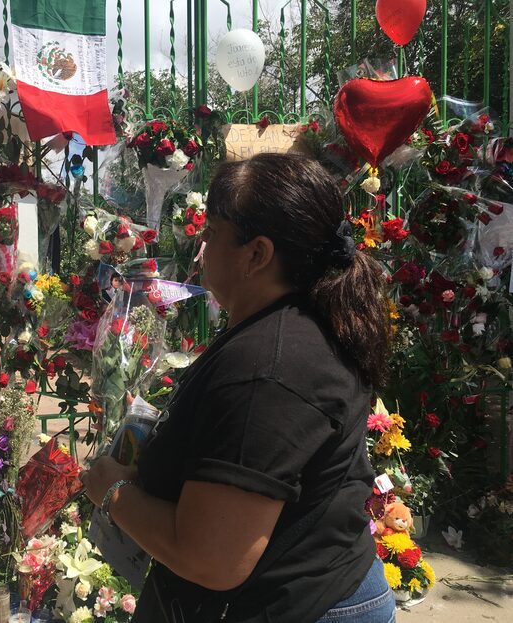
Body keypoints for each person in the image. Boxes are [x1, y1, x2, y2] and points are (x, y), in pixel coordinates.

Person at [81, 153, 395, 623]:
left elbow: (213, 558)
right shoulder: (286, 328)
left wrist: (112, 490)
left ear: (257, 254)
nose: (201, 249)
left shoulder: (272, 365)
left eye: (210, 235)